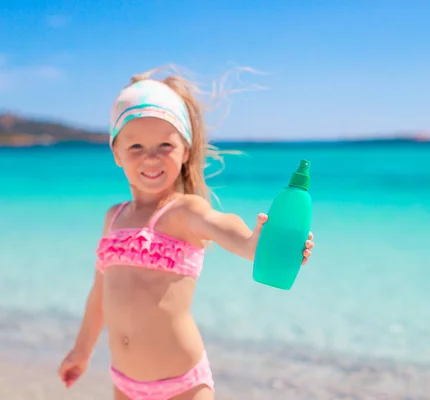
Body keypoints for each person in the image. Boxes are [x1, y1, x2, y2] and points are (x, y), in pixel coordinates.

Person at [57, 66, 315, 400]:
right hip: (124, 384)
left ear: (186, 151)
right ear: (116, 153)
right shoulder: (114, 218)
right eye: (136, 146)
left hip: (182, 386)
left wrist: (256, 244)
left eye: (165, 144)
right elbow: (99, 295)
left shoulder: (184, 211)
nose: (151, 157)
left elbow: (223, 225)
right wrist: (81, 352)